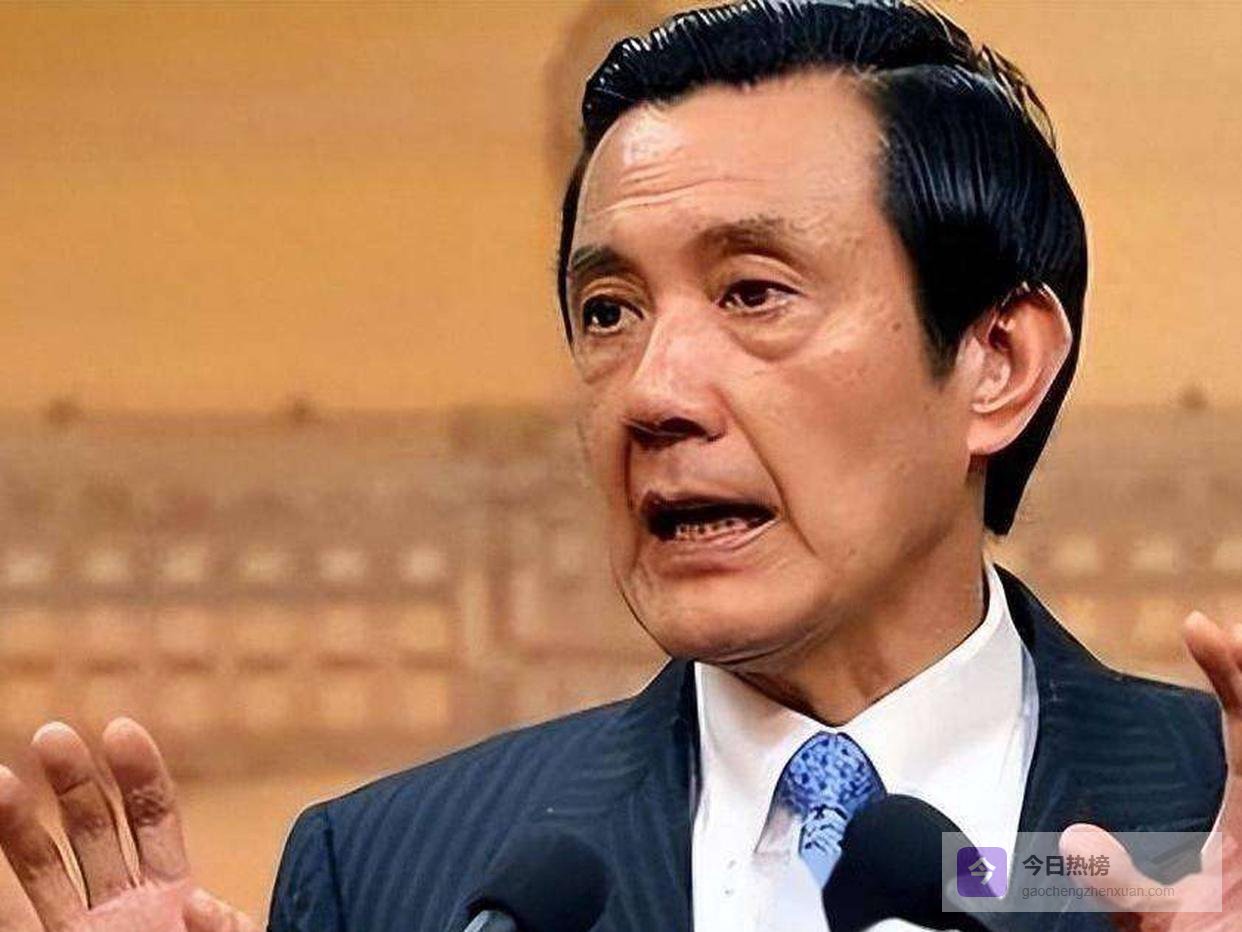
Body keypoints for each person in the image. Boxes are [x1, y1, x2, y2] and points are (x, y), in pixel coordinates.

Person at [0, 1, 1236, 930]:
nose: (653, 392)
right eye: (608, 312)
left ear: (995, 361)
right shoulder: (392, 873)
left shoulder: (1204, 827)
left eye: (753, 292)